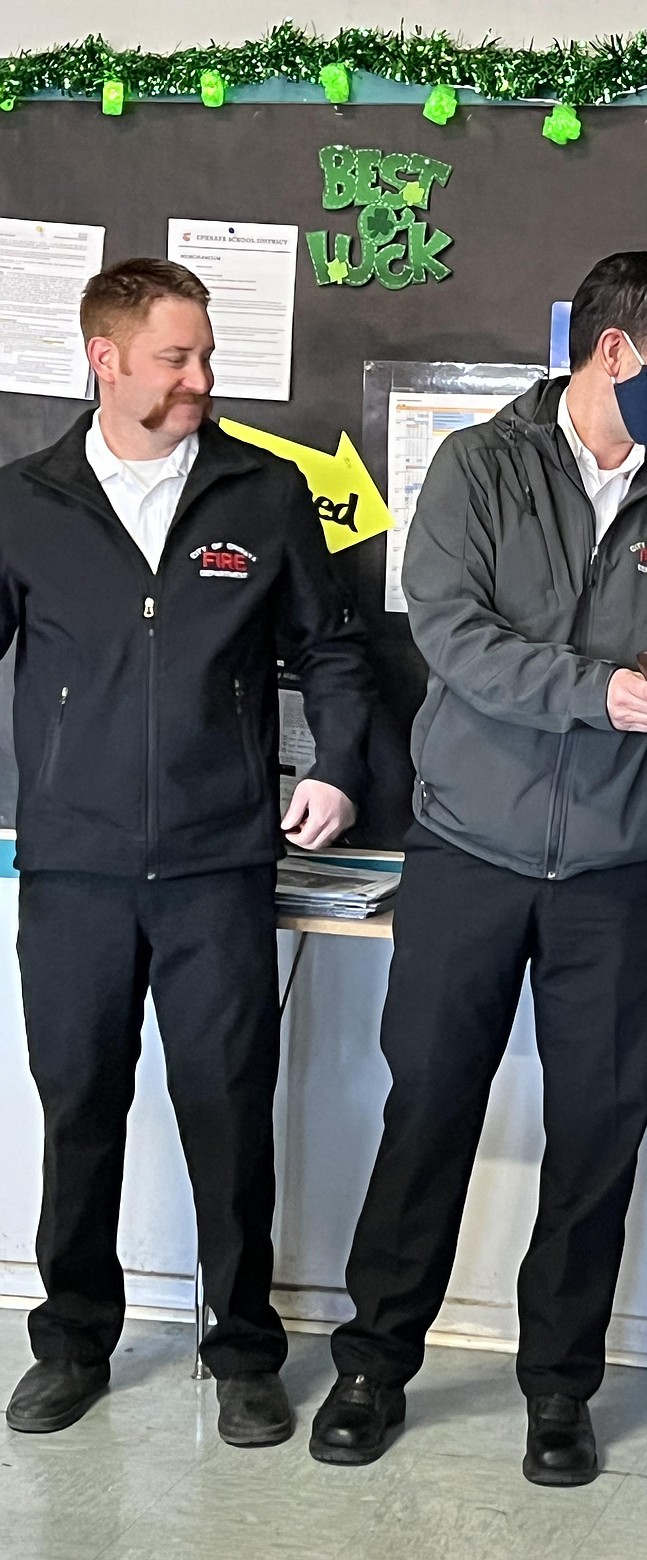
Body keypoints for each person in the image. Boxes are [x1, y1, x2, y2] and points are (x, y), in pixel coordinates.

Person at [310, 251, 647, 1483]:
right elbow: (453, 637)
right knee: (429, 1113)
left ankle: (560, 1389)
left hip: (622, 869)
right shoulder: (477, 468)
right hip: (469, 852)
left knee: (596, 1136)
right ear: (614, 351)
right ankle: (371, 1365)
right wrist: (601, 694)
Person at [0, 258, 369, 1448]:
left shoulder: (263, 494)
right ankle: (71, 1340)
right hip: (73, 868)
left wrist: (336, 768)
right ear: (106, 358)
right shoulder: (24, 500)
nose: (202, 378)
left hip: (219, 866)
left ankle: (244, 1349)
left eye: (206, 355)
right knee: (79, 1112)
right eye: (178, 358)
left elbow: (335, 655)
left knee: (227, 1110)